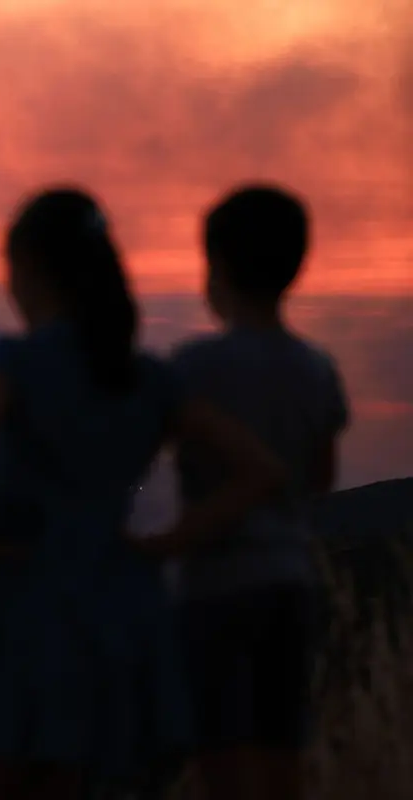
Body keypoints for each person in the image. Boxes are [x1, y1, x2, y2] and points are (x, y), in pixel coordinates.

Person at [0, 186, 287, 800]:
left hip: (34, 606)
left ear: (34, 272)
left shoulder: (16, 362)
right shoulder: (145, 379)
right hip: (122, 611)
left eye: (9, 269)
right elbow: (261, 472)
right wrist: (168, 543)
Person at [169, 184, 351, 800]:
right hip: (290, 585)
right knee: (281, 756)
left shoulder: (194, 368)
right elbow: (320, 480)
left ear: (215, 268)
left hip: (214, 589)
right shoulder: (317, 368)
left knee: (219, 754)